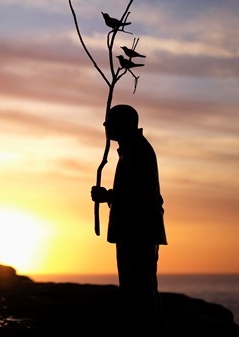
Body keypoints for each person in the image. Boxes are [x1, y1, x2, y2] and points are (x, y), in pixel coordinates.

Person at [90, 104, 167, 335]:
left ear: (124, 124)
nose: (105, 125)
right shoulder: (131, 150)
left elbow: (139, 194)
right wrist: (109, 196)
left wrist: (108, 196)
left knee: (139, 290)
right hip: (134, 230)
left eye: (110, 120)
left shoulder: (138, 152)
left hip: (138, 231)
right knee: (137, 290)